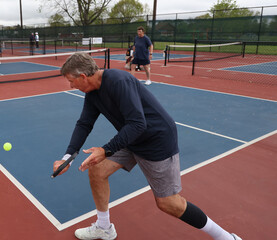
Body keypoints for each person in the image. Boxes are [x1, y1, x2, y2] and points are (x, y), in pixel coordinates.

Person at [53, 52, 242, 240]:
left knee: (168, 203)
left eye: (71, 81)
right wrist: (67, 157)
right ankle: (104, 227)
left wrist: (105, 150)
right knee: (97, 171)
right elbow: (84, 123)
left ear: (83, 77)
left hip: (156, 140)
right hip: (132, 137)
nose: (71, 86)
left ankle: (225, 237)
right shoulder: (92, 93)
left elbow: (138, 123)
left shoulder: (119, 81)